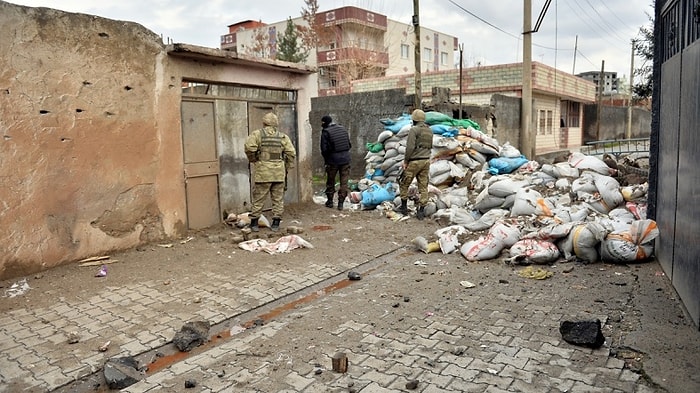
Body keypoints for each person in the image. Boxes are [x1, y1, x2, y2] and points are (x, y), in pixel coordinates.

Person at [244, 112, 296, 232]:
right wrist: (286, 166)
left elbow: (249, 147)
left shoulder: (257, 134)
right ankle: (276, 224)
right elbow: (291, 153)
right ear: (276, 124)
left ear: (264, 123)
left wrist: (254, 159)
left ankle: (254, 224)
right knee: (278, 199)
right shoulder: (282, 137)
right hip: (279, 172)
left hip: (263, 172)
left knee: (259, 198)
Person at [397, 109, 432, 220]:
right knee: (423, 186)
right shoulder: (429, 131)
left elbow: (410, 147)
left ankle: (403, 208)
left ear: (414, 119)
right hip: (426, 160)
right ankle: (421, 211)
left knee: (404, 183)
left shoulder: (414, 130)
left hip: (414, 161)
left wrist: (406, 161)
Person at [320, 115, 352, 210]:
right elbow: (349, 145)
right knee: (344, 182)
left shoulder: (325, 132)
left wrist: (326, 160)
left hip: (332, 160)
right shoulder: (342, 129)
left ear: (325, 123)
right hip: (346, 159)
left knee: (331, 180)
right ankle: (341, 203)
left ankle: (330, 201)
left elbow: (324, 149)